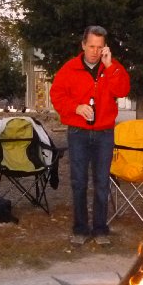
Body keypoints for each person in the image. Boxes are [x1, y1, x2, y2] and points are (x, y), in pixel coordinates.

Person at [50, 25, 130, 247]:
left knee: (102, 182)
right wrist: (75, 107)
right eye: (92, 46)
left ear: (105, 47)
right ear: (83, 45)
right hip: (78, 133)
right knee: (79, 182)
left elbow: (122, 91)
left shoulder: (112, 67)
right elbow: (56, 95)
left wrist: (110, 66)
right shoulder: (69, 68)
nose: (95, 51)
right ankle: (80, 229)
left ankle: (100, 229)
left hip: (104, 133)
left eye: (100, 47)